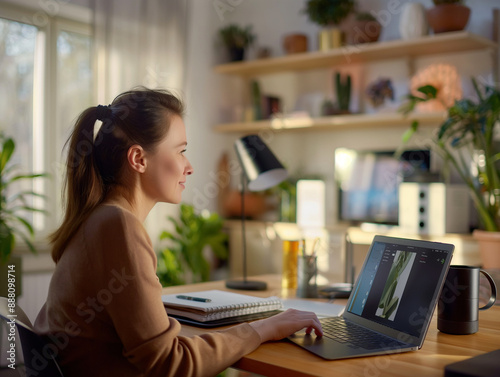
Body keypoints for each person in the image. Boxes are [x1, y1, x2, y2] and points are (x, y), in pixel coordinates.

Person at [34, 87, 323, 377]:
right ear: (138, 159)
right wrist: (264, 327)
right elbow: (170, 363)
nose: (190, 167)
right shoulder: (117, 226)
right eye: (181, 151)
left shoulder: (100, 219)